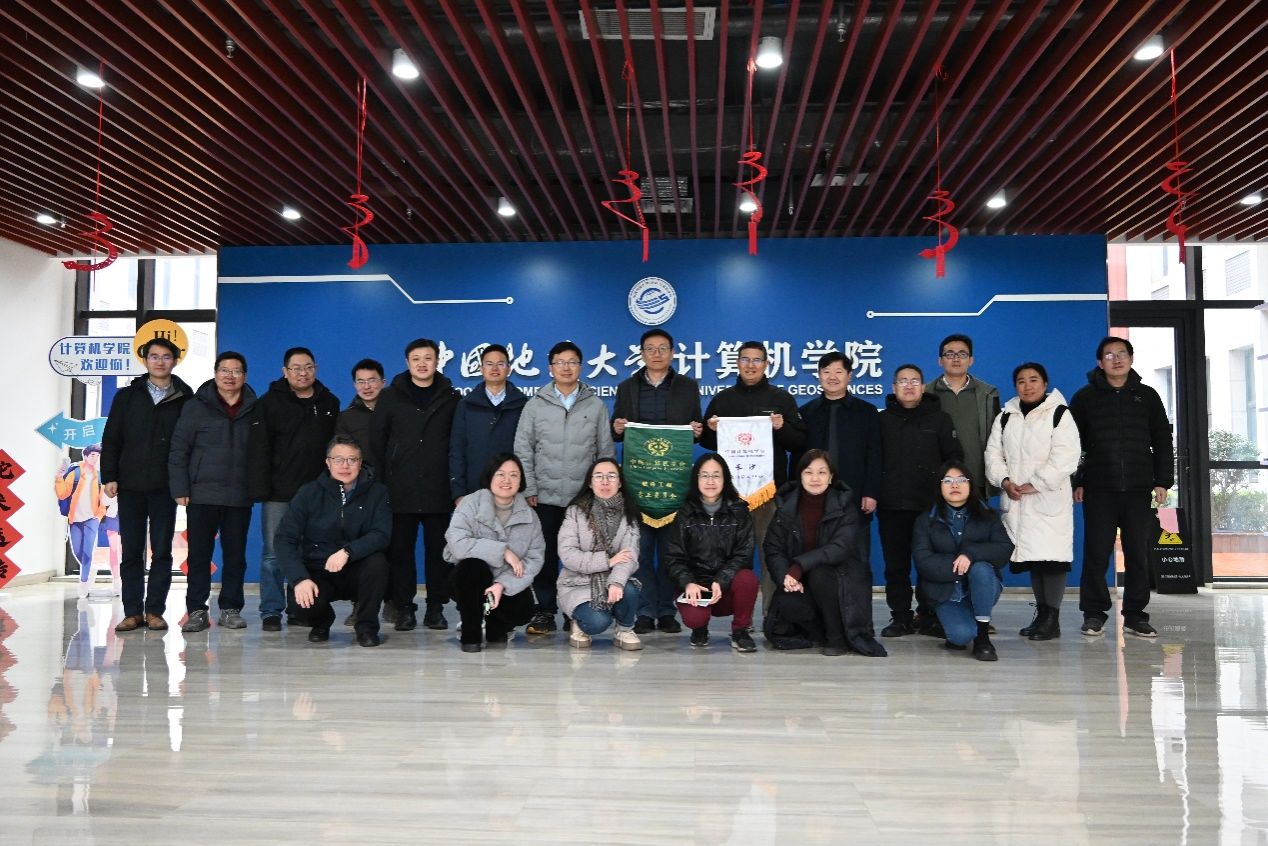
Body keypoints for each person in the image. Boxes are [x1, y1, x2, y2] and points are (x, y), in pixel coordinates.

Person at [1070, 336, 1173, 638]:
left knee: (1138, 554)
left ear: (1131, 358)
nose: (1116, 359)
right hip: (1099, 488)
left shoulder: (1147, 396)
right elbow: (1072, 445)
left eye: (1122, 354)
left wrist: (1163, 480)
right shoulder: (1085, 398)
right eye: (1109, 355)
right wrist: (1078, 480)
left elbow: (1162, 440)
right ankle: (1094, 614)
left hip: (1139, 488)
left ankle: (1136, 615)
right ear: (1099, 362)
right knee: (1096, 554)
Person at [513, 341, 614, 635]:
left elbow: (605, 452)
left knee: (580, 557)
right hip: (543, 495)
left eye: (572, 362)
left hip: (582, 499)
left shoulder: (595, 405)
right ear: (550, 368)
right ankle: (545, 610)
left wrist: (600, 492)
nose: (566, 367)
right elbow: (523, 449)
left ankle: (575, 610)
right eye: (560, 362)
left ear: (580, 367)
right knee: (543, 556)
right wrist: (529, 487)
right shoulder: (535, 405)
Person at [700, 341, 806, 608]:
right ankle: (741, 621)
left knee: (772, 555)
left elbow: (799, 442)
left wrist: (782, 428)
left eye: (757, 360)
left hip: (768, 492)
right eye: (745, 359)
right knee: (735, 558)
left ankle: (773, 616)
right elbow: (707, 443)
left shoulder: (781, 398)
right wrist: (711, 429)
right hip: (731, 496)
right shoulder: (723, 399)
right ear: (737, 363)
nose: (750, 365)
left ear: (766, 364)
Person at [611, 328, 703, 635]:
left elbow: (695, 430)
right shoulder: (627, 387)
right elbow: (616, 431)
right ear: (641, 353)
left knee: (670, 551)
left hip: (674, 481)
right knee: (640, 550)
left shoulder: (688, 387)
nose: (657, 354)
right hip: (639, 481)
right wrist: (617, 427)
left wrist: (697, 430)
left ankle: (666, 610)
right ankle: (644, 610)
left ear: (672, 352)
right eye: (650, 348)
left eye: (663, 348)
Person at [100, 337, 194, 632]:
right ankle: (132, 612)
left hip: (165, 486)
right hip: (130, 484)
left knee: (162, 551)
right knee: (131, 550)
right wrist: (109, 475)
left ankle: (154, 610)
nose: (160, 362)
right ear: (145, 360)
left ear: (175, 360)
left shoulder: (185, 397)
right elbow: (112, 438)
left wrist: (183, 483)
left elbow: (189, 444)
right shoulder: (128, 396)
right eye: (154, 356)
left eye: (166, 357)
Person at [985, 362, 1081, 641]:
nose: (1027, 386)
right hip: (1017, 499)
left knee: (1052, 559)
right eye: (1021, 381)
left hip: (1047, 498)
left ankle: (1052, 619)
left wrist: (1035, 483)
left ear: (1045, 383)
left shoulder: (1059, 414)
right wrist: (1004, 481)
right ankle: (1042, 615)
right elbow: (992, 454)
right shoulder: (1006, 416)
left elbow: (1066, 457)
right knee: (1034, 559)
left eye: (1033, 380)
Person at [248, 346, 340, 631]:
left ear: (316, 369)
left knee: (309, 553)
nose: (303, 373)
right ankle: (271, 611)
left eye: (308, 367)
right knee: (274, 554)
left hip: (317, 493)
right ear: (285, 372)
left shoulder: (329, 402)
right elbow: (259, 448)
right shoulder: (268, 403)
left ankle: (301, 609)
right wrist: (261, 489)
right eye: (296, 368)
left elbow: (335, 449)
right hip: (278, 492)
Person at [372, 338, 460, 632]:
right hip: (400, 487)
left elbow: (456, 443)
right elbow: (377, 442)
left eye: (428, 358)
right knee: (400, 553)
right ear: (407, 362)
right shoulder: (390, 396)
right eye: (416, 359)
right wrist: (382, 483)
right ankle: (404, 608)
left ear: (437, 361)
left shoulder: (451, 397)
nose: (422, 364)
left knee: (439, 552)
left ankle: (436, 608)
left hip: (438, 487)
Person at [763, 450, 885, 657]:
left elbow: (840, 548)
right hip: (800, 578)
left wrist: (798, 566)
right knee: (788, 602)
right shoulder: (786, 507)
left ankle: (836, 637)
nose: (815, 478)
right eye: (808, 472)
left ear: (831, 477)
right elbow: (773, 548)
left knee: (820, 574)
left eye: (822, 472)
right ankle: (819, 633)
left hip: (839, 578)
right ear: (800, 476)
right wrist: (786, 576)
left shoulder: (845, 506)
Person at [168, 351, 258, 633]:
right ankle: (196, 610)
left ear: (245, 376)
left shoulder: (256, 408)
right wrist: (180, 487)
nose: (230, 376)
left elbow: (263, 452)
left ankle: (231, 609)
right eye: (224, 370)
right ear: (215, 373)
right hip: (201, 493)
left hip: (239, 494)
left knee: (235, 556)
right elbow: (179, 448)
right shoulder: (196, 406)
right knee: (199, 556)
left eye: (236, 371)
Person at [275, 435, 390, 647]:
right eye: (338, 459)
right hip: (319, 569)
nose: (345, 466)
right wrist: (300, 579)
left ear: (360, 463)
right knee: (299, 600)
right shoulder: (308, 493)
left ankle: (366, 627)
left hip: (357, 567)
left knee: (378, 564)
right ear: (328, 462)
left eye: (352, 460)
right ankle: (321, 622)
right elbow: (284, 539)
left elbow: (381, 534)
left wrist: (347, 552)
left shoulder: (377, 492)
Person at [877, 364, 963, 638]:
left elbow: (954, 459)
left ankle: (930, 616)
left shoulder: (940, 419)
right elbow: (872, 461)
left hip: (931, 507)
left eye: (914, 381)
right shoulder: (882, 420)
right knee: (896, 566)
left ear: (923, 387)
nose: (909, 386)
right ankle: (900, 617)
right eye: (903, 381)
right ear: (894, 387)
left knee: (932, 565)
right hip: (892, 506)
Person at [912, 460, 1014, 661]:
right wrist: (961, 565)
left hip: (983, 586)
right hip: (946, 593)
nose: (955, 485)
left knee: (981, 569)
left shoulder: (988, 516)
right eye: (948, 481)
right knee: (961, 637)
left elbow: (1004, 548)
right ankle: (957, 622)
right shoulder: (925, 520)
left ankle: (983, 637)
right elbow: (924, 562)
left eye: (961, 480)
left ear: (970, 484)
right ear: (939, 486)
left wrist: (970, 555)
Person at [443, 454, 544, 653]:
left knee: (523, 610)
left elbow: (535, 559)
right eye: (500, 474)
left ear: (521, 481)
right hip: (469, 580)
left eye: (514, 475)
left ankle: (496, 626)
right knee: (472, 568)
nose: (507, 480)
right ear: (490, 477)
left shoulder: (530, 516)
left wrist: (501, 584)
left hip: (505, 583)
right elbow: (457, 543)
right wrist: (503, 551)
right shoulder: (470, 503)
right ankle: (470, 633)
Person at [796, 351, 882, 574]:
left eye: (838, 371)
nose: (832, 377)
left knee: (857, 559)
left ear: (849, 375)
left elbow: (875, 455)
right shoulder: (806, 413)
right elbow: (798, 458)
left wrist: (871, 492)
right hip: (815, 498)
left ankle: (857, 597)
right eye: (826, 372)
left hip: (856, 496)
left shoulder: (867, 412)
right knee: (816, 561)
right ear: (818, 375)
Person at [664, 454, 759, 652]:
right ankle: (700, 629)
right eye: (704, 475)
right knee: (695, 618)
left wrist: (721, 580)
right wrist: (688, 582)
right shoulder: (684, 513)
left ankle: (740, 631)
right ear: (696, 479)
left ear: (725, 479)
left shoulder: (739, 511)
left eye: (716, 475)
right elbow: (674, 557)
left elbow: (744, 554)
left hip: (726, 587)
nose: (710, 481)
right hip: (696, 586)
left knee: (748, 579)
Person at [556, 458, 644, 651]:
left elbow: (629, 555)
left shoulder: (629, 513)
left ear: (619, 482)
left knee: (629, 589)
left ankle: (624, 629)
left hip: (612, 579)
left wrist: (616, 582)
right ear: (590, 482)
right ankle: (579, 623)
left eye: (611, 476)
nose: (605, 481)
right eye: (599, 476)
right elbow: (567, 554)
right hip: (578, 583)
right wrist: (608, 561)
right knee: (597, 622)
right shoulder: (575, 511)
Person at [924, 334, 1001, 501]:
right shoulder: (925, 394)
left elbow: (997, 438)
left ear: (971, 360)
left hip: (976, 479)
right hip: (938, 480)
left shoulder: (988, 394)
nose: (956, 359)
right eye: (950, 354)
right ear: (940, 361)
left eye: (962, 354)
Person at [449, 344, 528, 503]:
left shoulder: (523, 404)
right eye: (489, 364)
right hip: (474, 488)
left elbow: (529, 450)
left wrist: (527, 490)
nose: (494, 368)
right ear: (481, 368)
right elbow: (457, 450)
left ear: (509, 369)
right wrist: (458, 492)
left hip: (512, 489)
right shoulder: (466, 405)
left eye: (500, 364)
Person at [53, 444, 106, 593]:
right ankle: (89, 570)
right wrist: (59, 477)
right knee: (77, 551)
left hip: (92, 519)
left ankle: (84, 582)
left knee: (88, 551)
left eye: (98, 456)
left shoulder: (99, 476)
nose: (95, 458)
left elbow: (103, 500)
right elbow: (62, 494)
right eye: (93, 455)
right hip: (75, 518)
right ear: (85, 456)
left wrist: (99, 516)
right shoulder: (75, 473)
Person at [335, 358, 385, 470]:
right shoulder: (346, 418)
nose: (366, 386)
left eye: (372, 380)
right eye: (361, 382)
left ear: (383, 382)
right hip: (364, 478)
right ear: (355, 385)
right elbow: (343, 454)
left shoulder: (396, 412)